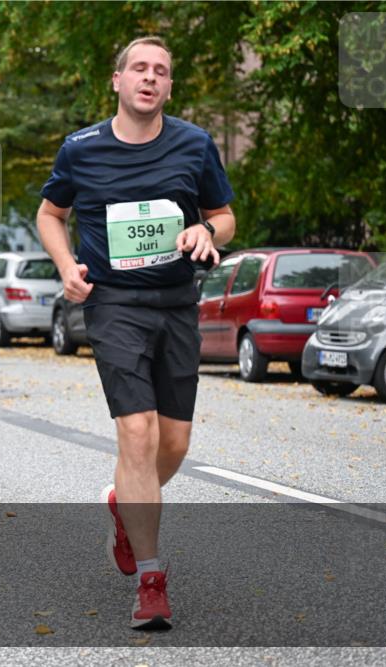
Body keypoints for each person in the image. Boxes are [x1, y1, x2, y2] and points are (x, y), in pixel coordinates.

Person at [36, 36, 236, 630]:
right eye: (139, 69)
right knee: (138, 434)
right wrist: (67, 267)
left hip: (177, 304)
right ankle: (151, 580)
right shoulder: (81, 149)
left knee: (173, 444)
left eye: (161, 72)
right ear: (117, 80)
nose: (150, 78)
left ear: (169, 87)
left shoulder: (195, 144)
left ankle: (123, 503)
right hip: (114, 305)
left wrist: (209, 233)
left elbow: (223, 214)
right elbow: (52, 213)